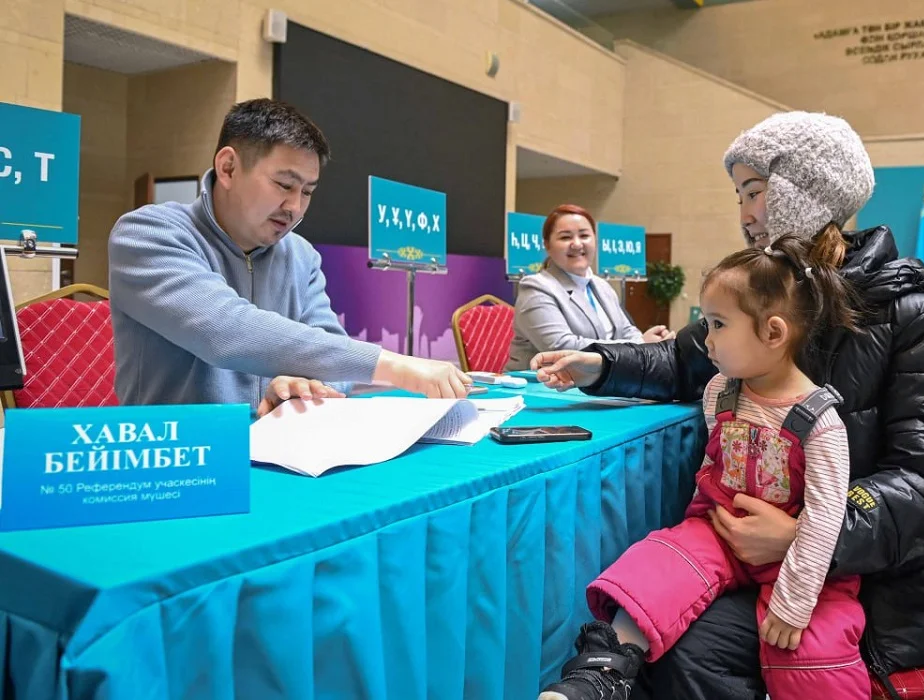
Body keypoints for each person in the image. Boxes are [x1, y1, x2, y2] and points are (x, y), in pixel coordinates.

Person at [532, 112, 924, 700]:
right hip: (753, 554)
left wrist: (806, 535)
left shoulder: (913, 311)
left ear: (804, 192)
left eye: (754, 191)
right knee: (658, 629)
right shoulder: (763, 290)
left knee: (694, 654)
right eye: (739, 197)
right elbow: (684, 358)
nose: (744, 214)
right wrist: (600, 364)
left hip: (878, 578)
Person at [540, 234, 868, 700]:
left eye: (717, 324)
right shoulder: (720, 392)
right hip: (718, 533)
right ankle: (603, 672)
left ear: (773, 333)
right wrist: (692, 539)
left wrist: (794, 600)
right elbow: (715, 463)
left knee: (812, 650)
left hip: (795, 555)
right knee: (654, 570)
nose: (706, 340)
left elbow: (825, 519)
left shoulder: (820, 423)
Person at [109, 99, 471, 415]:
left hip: (280, 450)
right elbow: (225, 331)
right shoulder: (147, 234)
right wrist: (394, 365)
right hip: (179, 456)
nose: (295, 207)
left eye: (307, 192)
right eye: (284, 185)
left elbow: (333, 356)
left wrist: (303, 386)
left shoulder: (301, 256)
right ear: (228, 168)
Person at [506, 204, 673, 371]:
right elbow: (561, 347)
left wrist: (651, 344)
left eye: (584, 235)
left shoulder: (602, 286)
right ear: (547, 245)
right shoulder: (536, 288)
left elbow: (626, 330)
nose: (577, 244)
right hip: (540, 382)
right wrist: (638, 345)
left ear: (595, 240)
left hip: (597, 381)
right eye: (565, 237)